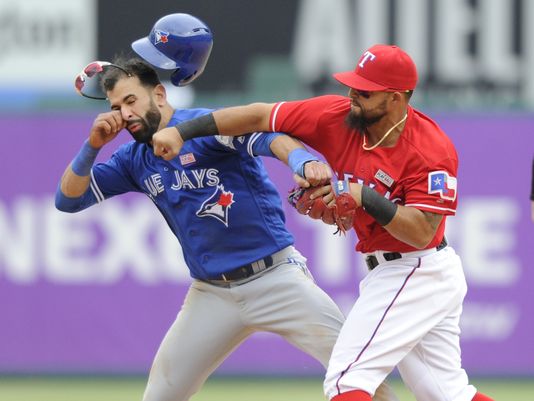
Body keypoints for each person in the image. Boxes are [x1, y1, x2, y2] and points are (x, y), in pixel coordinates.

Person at [55, 17, 399, 401]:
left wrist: (301, 160)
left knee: (360, 378)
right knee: (159, 397)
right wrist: (92, 146)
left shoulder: (200, 127)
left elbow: (267, 138)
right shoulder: (133, 158)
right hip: (211, 294)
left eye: (131, 100)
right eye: (117, 106)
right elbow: (68, 201)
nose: (125, 113)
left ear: (160, 95)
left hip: (276, 279)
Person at [151, 44, 497, 401]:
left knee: (347, 381)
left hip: (416, 269)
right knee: (445, 392)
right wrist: (183, 132)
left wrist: (364, 196)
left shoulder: (430, 150)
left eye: (365, 91)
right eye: (352, 85)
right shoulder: (336, 115)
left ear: (396, 98)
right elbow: (258, 116)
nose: (352, 96)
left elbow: (422, 233)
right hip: (397, 269)